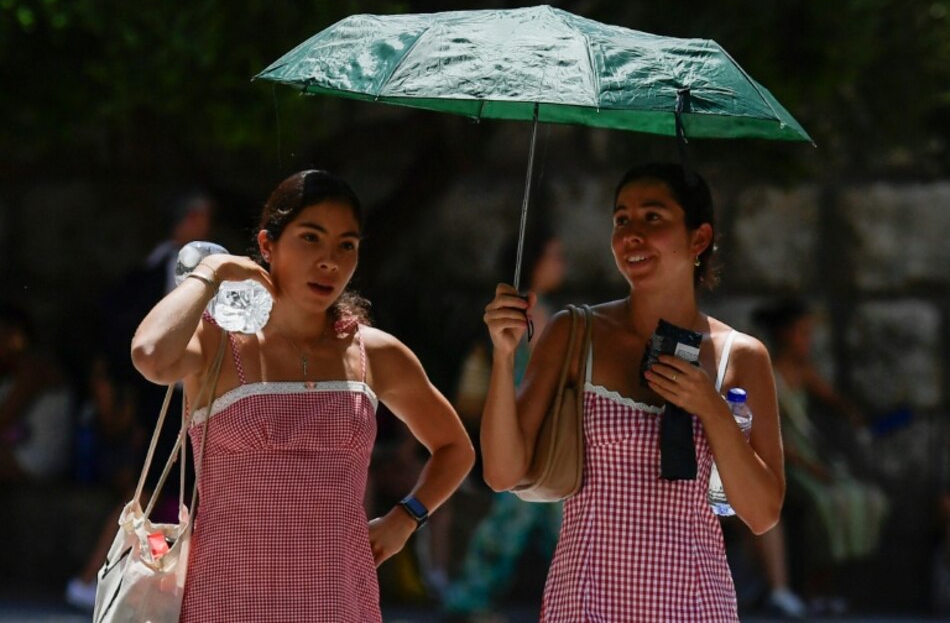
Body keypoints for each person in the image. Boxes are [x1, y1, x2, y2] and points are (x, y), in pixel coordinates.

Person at [130, 169, 474, 622]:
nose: (330, 260)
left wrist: (406, 519)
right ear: (267, 245)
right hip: (225, 599)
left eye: (346, 245)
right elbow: (150, 356)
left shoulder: (375, 353)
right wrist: (211, 272)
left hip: (338, 599)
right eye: (311, 238)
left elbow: (456, 449)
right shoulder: (218, 344)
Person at [480, 163, 785, 621]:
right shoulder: (574, 333)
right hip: (583, 603)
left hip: (695, 605)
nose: (631, 235)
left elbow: (762, 514)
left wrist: (712, 410)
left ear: (699, 239)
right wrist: (503, 360)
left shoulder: (740, 357)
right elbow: (503, 474)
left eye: (653, 218)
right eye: (622, 220)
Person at [65, 188, 215, 611]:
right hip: (174, 395)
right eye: (200, 216)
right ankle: (99, 578)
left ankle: (115, 579)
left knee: (155, 493)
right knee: (150, 492)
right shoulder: (182, 270)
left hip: (150, 394)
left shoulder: (146, 269)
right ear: (188, 221)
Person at [442, 227, 566, 621]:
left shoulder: (539, 310)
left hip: (538, 436)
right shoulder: (523, 312)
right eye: (554, 256)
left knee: (561, 529)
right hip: (519, 434)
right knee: (511, 524)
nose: (561, 265)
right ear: (534, 262)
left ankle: (585, 601)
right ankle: (468, 599)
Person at [751, 298, 889, 615]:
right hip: (784, 462)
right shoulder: (767, 373)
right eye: (802, 333)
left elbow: (831, 399)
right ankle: (810, 589)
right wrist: (811, 467)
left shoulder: (803, 371)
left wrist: (855, 415)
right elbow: (770, 435)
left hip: (812, 459)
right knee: (826, 505)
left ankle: (826, 588)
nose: (807, 341)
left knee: (860, 498)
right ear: (785, 334)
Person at [0, 304, 72, 484]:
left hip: (37, 459)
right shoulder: (13, 374)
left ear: (15, 337)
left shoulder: (35, 370)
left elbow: (4, 418)